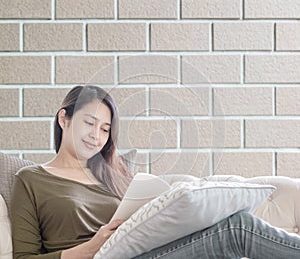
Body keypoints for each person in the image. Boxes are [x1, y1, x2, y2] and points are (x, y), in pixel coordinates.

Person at [11, 85, 300, 259]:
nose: (96, 136)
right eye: (89, 123)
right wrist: (89, 249)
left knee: (236, 221)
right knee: (236, 229)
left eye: (105, 129)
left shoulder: (111, 173)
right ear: (64, 118)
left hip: (144, 251)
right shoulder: (31, 179)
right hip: (98, 257)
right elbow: (23, 257)